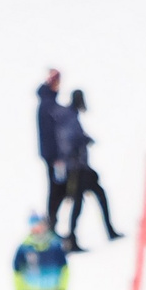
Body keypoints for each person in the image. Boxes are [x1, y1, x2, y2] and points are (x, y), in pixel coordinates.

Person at [59, 89, 122, 251]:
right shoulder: (69, 117)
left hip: (79, 167)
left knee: (87, 200)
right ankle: (73, 238)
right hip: (76, 169)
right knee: (82, 202)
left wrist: (85, 139)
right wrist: (79, 146)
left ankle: (105, 231)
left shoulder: (71, 116)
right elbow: (67, 140)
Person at [36, 69, 77, 234]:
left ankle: (52, 222)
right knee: (56, 188)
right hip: (54, 157)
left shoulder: (50, 103)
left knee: (58, 188)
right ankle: (51, 223)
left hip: (54, 156)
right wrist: (57, 157)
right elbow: (50, 134)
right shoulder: (48, 105)